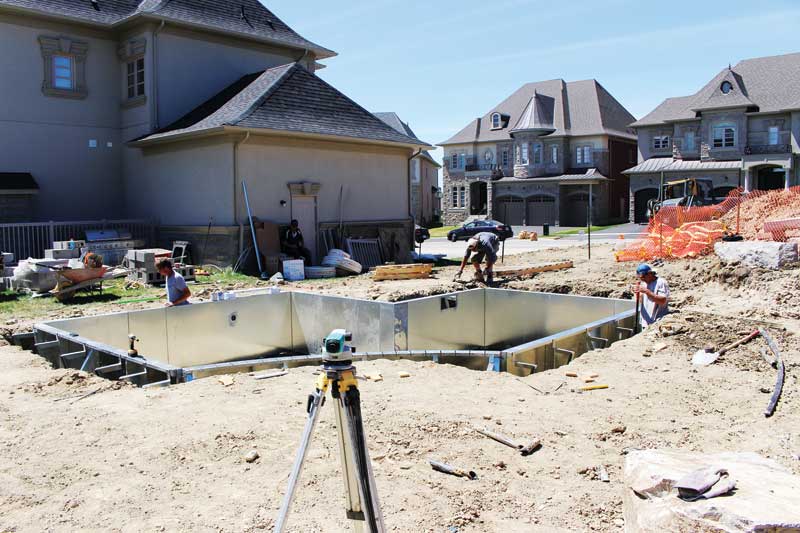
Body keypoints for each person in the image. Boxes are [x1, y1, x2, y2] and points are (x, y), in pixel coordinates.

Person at [633, 263, 669, 327]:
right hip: (646, 321)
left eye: (644, 277)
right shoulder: (644, 283)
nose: (642, 280)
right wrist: (638, 293)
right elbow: (642, 302)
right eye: (641, 278)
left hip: (657, 321)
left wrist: (647, 291)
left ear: (650, 274)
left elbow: (662, 301)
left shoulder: (661, 283)